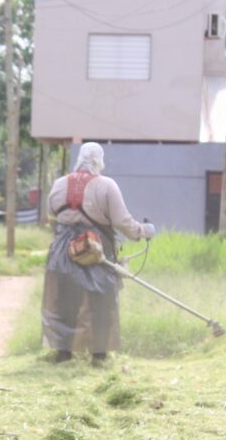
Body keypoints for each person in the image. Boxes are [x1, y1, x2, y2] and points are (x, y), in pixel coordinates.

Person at [42, 142, 155, 364]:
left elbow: (51, 217)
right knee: (101, 303)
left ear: (79, 159)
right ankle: (99, 355)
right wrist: (142, 231)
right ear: (99, 161)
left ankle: (63, 353)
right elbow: (122, 221)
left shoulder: (58, 185)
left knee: (66, 303)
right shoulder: (106, 185)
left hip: (64, 253)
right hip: (96, 252)